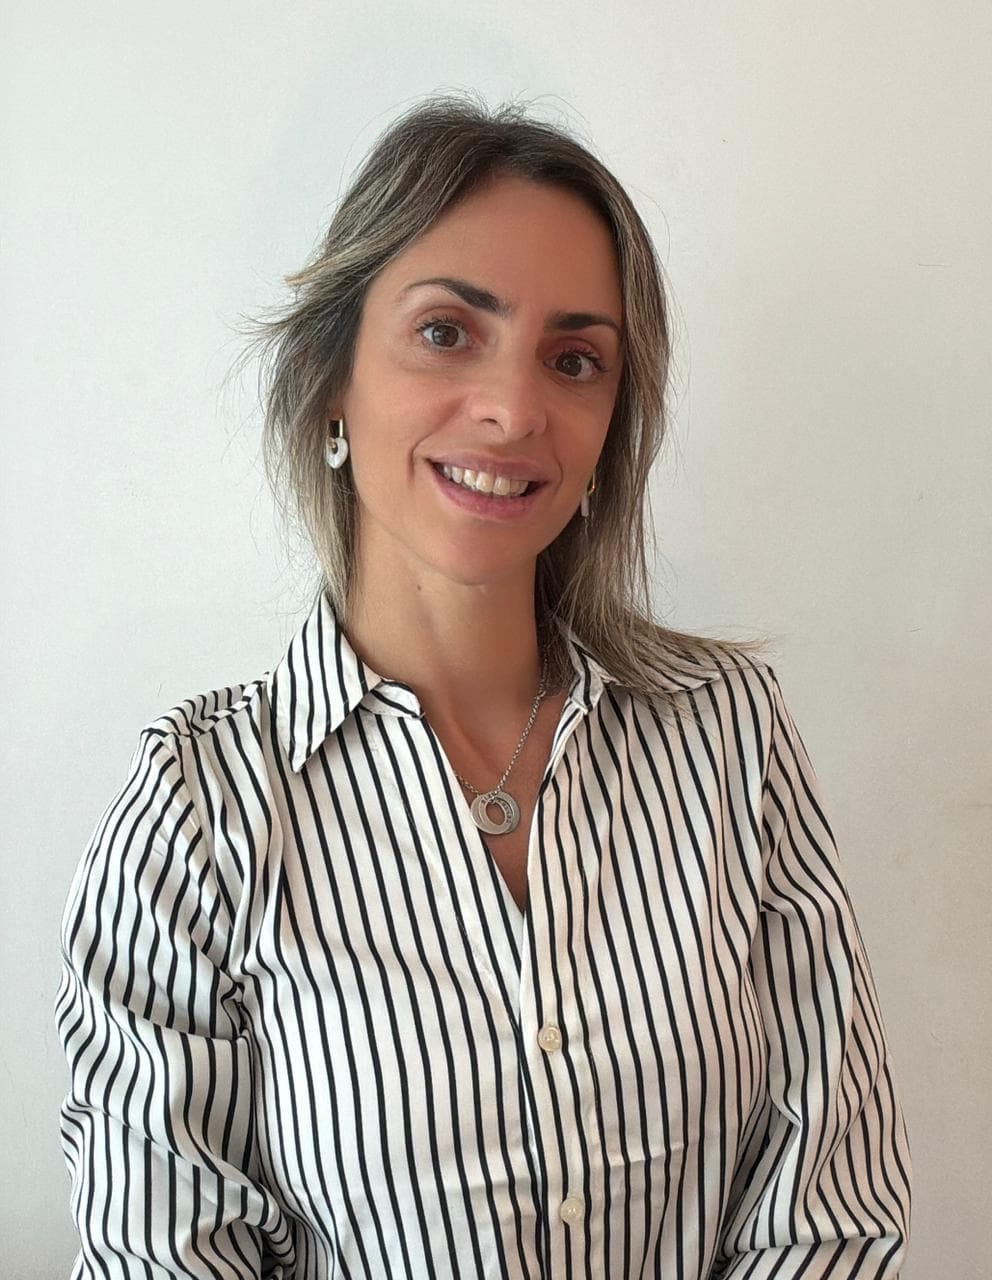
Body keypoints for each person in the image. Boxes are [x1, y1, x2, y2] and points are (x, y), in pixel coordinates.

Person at [57, 97, 911, 1279]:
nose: (513, 409)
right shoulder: (198, 812)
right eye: (446, 331)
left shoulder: (731, 735)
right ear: (332, 382)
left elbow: (832, 1207)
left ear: (610, 428)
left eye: (573, 359)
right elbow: (165, 1248)